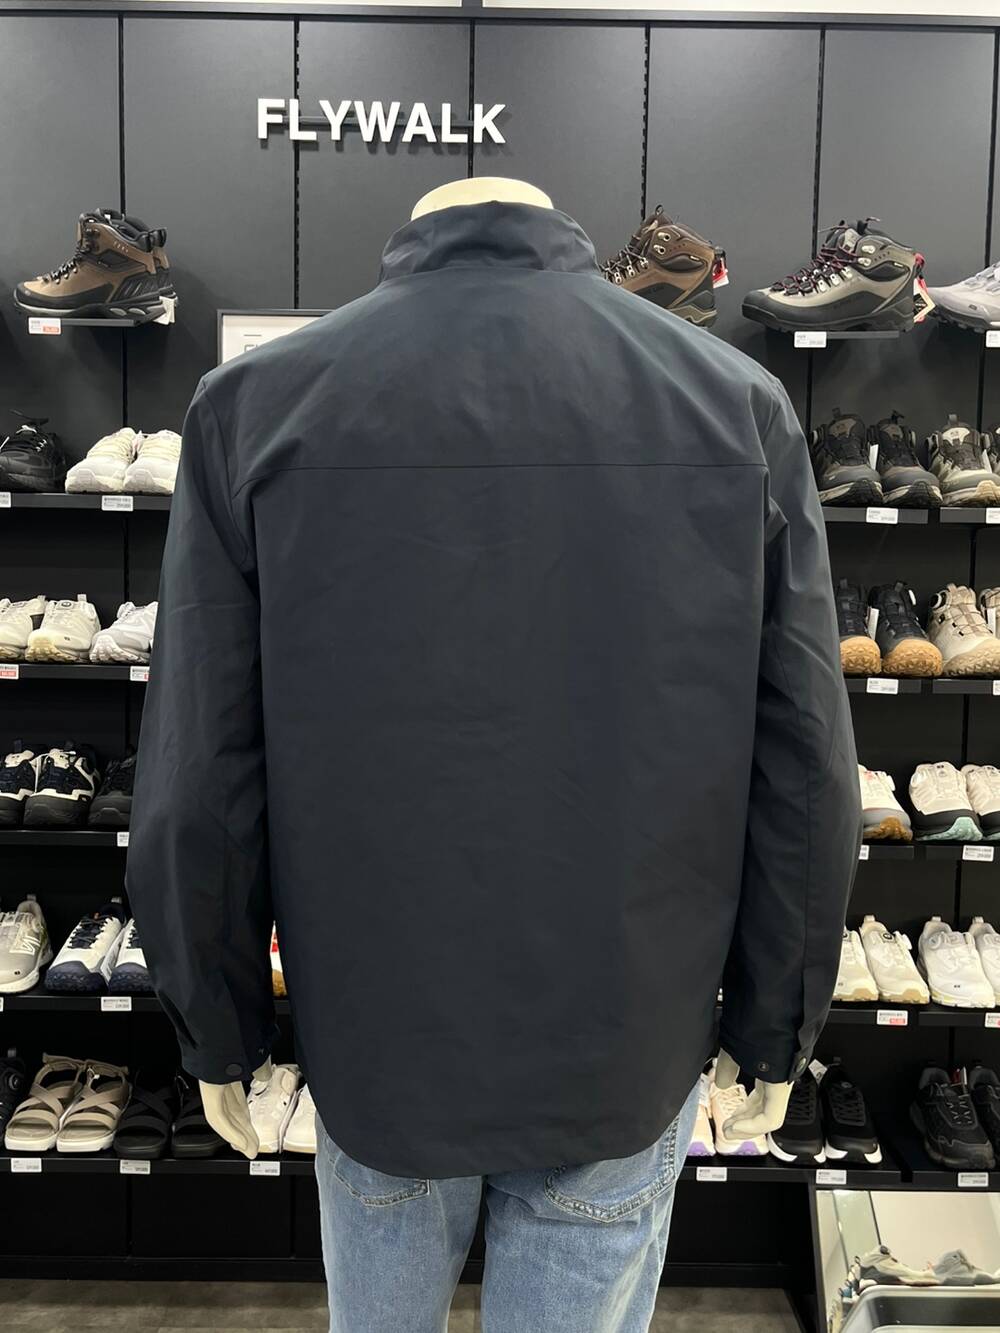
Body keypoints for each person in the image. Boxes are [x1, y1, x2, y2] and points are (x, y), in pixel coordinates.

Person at [128, 179, 860, 1333]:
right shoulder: (735, 406)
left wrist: (217, 1027)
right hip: (622, 1038)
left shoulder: (254, 407)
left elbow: (198, 776)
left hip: (379, 1039)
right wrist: (774, 1021)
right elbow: (807, 761)